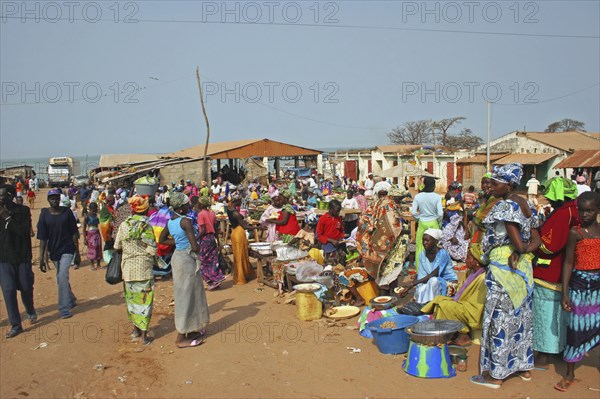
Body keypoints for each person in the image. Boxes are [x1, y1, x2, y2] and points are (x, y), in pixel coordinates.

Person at [470, 163, 540, 389]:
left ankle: (496, 375)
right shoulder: (528, 204)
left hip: (504, 270)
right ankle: (523, 367)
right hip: (524, 271)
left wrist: (518, 251)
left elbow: (517, 243)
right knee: (521, 320)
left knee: (500, 321)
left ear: (508, 185)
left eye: (496, 183)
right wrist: (523, 252)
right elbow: (536, 240)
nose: (491, 187)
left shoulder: (505, 207)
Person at [554, 191, 600, 392]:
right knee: (575, 329)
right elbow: (568, 263)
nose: (585, 214)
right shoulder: (575, 233)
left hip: (598, 286)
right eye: (582, 210)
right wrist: (565, 293)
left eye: (590, 210)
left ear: (598, 210)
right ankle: (570, 373)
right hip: (579, 287)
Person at [159, 192, 209, 348]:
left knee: (188, 294)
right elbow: (195, 247)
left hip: (178, 258)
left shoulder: (170, 222)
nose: (189, 206)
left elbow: (161, 240)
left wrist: (177, 242)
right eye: (186, 205)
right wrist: (197, 239)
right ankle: (181, 337)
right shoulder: (186, 221)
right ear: (180, 208)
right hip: (187, 259)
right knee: (187, 297)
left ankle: (192, 328)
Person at [532, 198, 580, 362]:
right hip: (570, 269)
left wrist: (535, 236)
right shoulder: (575, 212)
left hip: (553, 270)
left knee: (545, 312)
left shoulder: (563, 213)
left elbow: (549, 246)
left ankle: (545, 352)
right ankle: (561, 347)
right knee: (562, 312)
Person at [421, 244, 487, 346]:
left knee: (445, 305)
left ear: (476, 262)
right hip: (463, 304)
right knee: (439, 299)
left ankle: (461, 336)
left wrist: (456, 303)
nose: (465, 259)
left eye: (468, 257)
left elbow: (477, 306)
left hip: (473, 311)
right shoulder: (470, 272)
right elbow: (461, 291)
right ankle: (445, 333)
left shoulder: (483, 278)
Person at [114, 195, 156, 346]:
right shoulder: (146, 226)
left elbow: (117, 246)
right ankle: (144, 336)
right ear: (145, 211)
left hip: (128, 269)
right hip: (143, 269)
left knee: (132, 300)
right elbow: (152, 249)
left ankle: (135, 330)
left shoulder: (124, 225)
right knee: (145, 301)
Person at [0, 184, 37, 338]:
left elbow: (24, 233)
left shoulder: (23, 211)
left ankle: (30, 309)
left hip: (22, 256)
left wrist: (7, 217)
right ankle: (16, 325)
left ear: (10, 196)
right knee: (8, 291)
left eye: (1, 196)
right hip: (4, 258)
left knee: (26, 288)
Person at [37, 188, 79, 319]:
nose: (54, 200)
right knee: (60, 277)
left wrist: (77, 252)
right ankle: (71, 298)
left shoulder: (67, 212)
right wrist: (42, 258)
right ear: (48, 200)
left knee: (62, 275)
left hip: (67, 248)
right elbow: (42, 237)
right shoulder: (44, 214)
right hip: (53, 250)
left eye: (56, 197)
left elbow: (74, 232)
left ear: (59, 198)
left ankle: (64, 308)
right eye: (52, 198)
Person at [398, 229, 457, 304]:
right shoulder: (422, 255)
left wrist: (411, 285)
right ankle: (424, 306)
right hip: (431, 282)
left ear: (435, 242)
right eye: (423, 240)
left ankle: (429, 306)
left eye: (427, 240)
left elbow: (434, 274)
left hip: (448, 284)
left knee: (433, 281)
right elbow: (421, 275)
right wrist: (415, 289)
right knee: (420, 290)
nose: (424, 243)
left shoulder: (443, 254)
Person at [411, 176, 443, 270]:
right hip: (434, 223)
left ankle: (420, 271)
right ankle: (434, 269)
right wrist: (439, 224)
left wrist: (419, 219)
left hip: (422, 223)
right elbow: (440, 213)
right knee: (435, 247)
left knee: (420, 247)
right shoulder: (437, 197)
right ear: (433, 186)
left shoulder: (418, 196)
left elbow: (413, 212)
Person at [197, 196, 225, 290]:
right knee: (213, 259)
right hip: (212, 238)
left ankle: (211, 280)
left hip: (205, 239)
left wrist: (196, 238)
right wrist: (218, 242)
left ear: (201, 204)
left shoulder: (201, 214)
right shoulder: (212, 213)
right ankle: (216, 278)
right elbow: (215, 229)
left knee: (203, 260)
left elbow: (203, 229)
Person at [227, 197, 255, 284]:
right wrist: (258, 227)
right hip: (239, 233)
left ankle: (239, 275)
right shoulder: (236, 213)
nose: (241, 203)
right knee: (241, 255)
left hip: (234, 232)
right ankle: (241, 277)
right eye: (240, 201)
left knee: (237, 255)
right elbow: (246, 227)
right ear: (236, 201)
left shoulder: (229, 209)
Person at [316, 200, 345, 266]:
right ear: (331, 209)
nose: (338, 213)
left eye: (339, 211)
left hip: (338, 245)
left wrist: (341, 238)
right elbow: (319, 235)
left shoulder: (338, 218)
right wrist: (331, 240)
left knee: (341, 265)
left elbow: (341, 230)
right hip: (328, 247)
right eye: (337, 211)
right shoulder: (323, 219)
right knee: (331, 265)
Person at [83, 202, 102, 270]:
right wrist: (85, 238)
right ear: (90, 209)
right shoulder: (87, 217)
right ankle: (92, 264)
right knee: (92, 248)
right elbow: (84, 228)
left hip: (97, 233)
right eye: (93, 209)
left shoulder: (96, 215)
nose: (95, 210)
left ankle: (98, 264)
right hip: (90, 234)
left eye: (95, 208)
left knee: (98, 247)